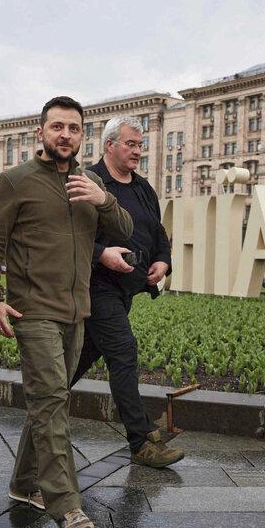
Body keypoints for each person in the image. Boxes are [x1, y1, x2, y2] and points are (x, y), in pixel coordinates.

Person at [0, 96, 133, 528]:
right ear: (41, 132)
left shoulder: (91, 183)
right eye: (57, 127)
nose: (65, 135)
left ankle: (24, 483)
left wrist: (104, 199)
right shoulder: (14, 181)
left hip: (77, 311)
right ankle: (66, 506)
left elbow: (125, 230)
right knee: (51, 401)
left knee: (49, 400)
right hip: (33, 310)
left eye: (73, 128)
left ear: (82, 136)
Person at [68, 116, 183, 468]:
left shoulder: (143, 188)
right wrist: (102, 253)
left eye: (139, 145)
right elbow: (70, 236)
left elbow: (158, 233)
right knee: (123, 352)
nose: (137, 151)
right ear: (109, 145)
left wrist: (162, 261)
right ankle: (141, 439)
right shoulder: (88, 181)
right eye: (130, 144)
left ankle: (44, 400)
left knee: (80, 356)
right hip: (97, 286)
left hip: (126, 291)